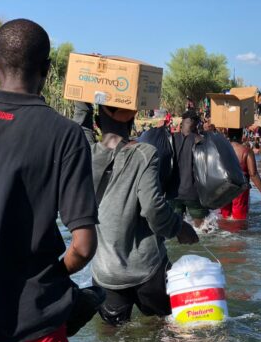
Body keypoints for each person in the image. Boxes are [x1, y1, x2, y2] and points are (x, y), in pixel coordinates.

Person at [0, 19, 98, 342]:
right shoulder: (66, 136)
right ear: (49, 70)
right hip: (31, 324)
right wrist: (51, 278)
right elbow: (84, 245)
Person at [77, 102, 199, 326]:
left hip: (106, 273)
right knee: (166, 329)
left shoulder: (84, 153)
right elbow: (153, 208)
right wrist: (179, 227)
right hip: (147, 269)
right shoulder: (144, 154)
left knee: (112, 338)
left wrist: (83, 97)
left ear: (96, 124)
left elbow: (80, 127)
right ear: (133, 121)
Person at [169, 110, 210, 227]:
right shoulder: (200, 141)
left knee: (176, 227)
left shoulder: (171, 139)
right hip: (193, 192)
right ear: (195, 123)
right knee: (203, 228)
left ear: (183, 122)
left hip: (173, 193)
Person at [221, 128, 261, 220]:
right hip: (240, 190)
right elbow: (253, 174)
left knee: (225, 218)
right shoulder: (246, 151)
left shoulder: (221, 149)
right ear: (241, 135)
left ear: (228, 135)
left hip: (224, 189)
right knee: (239, 220)